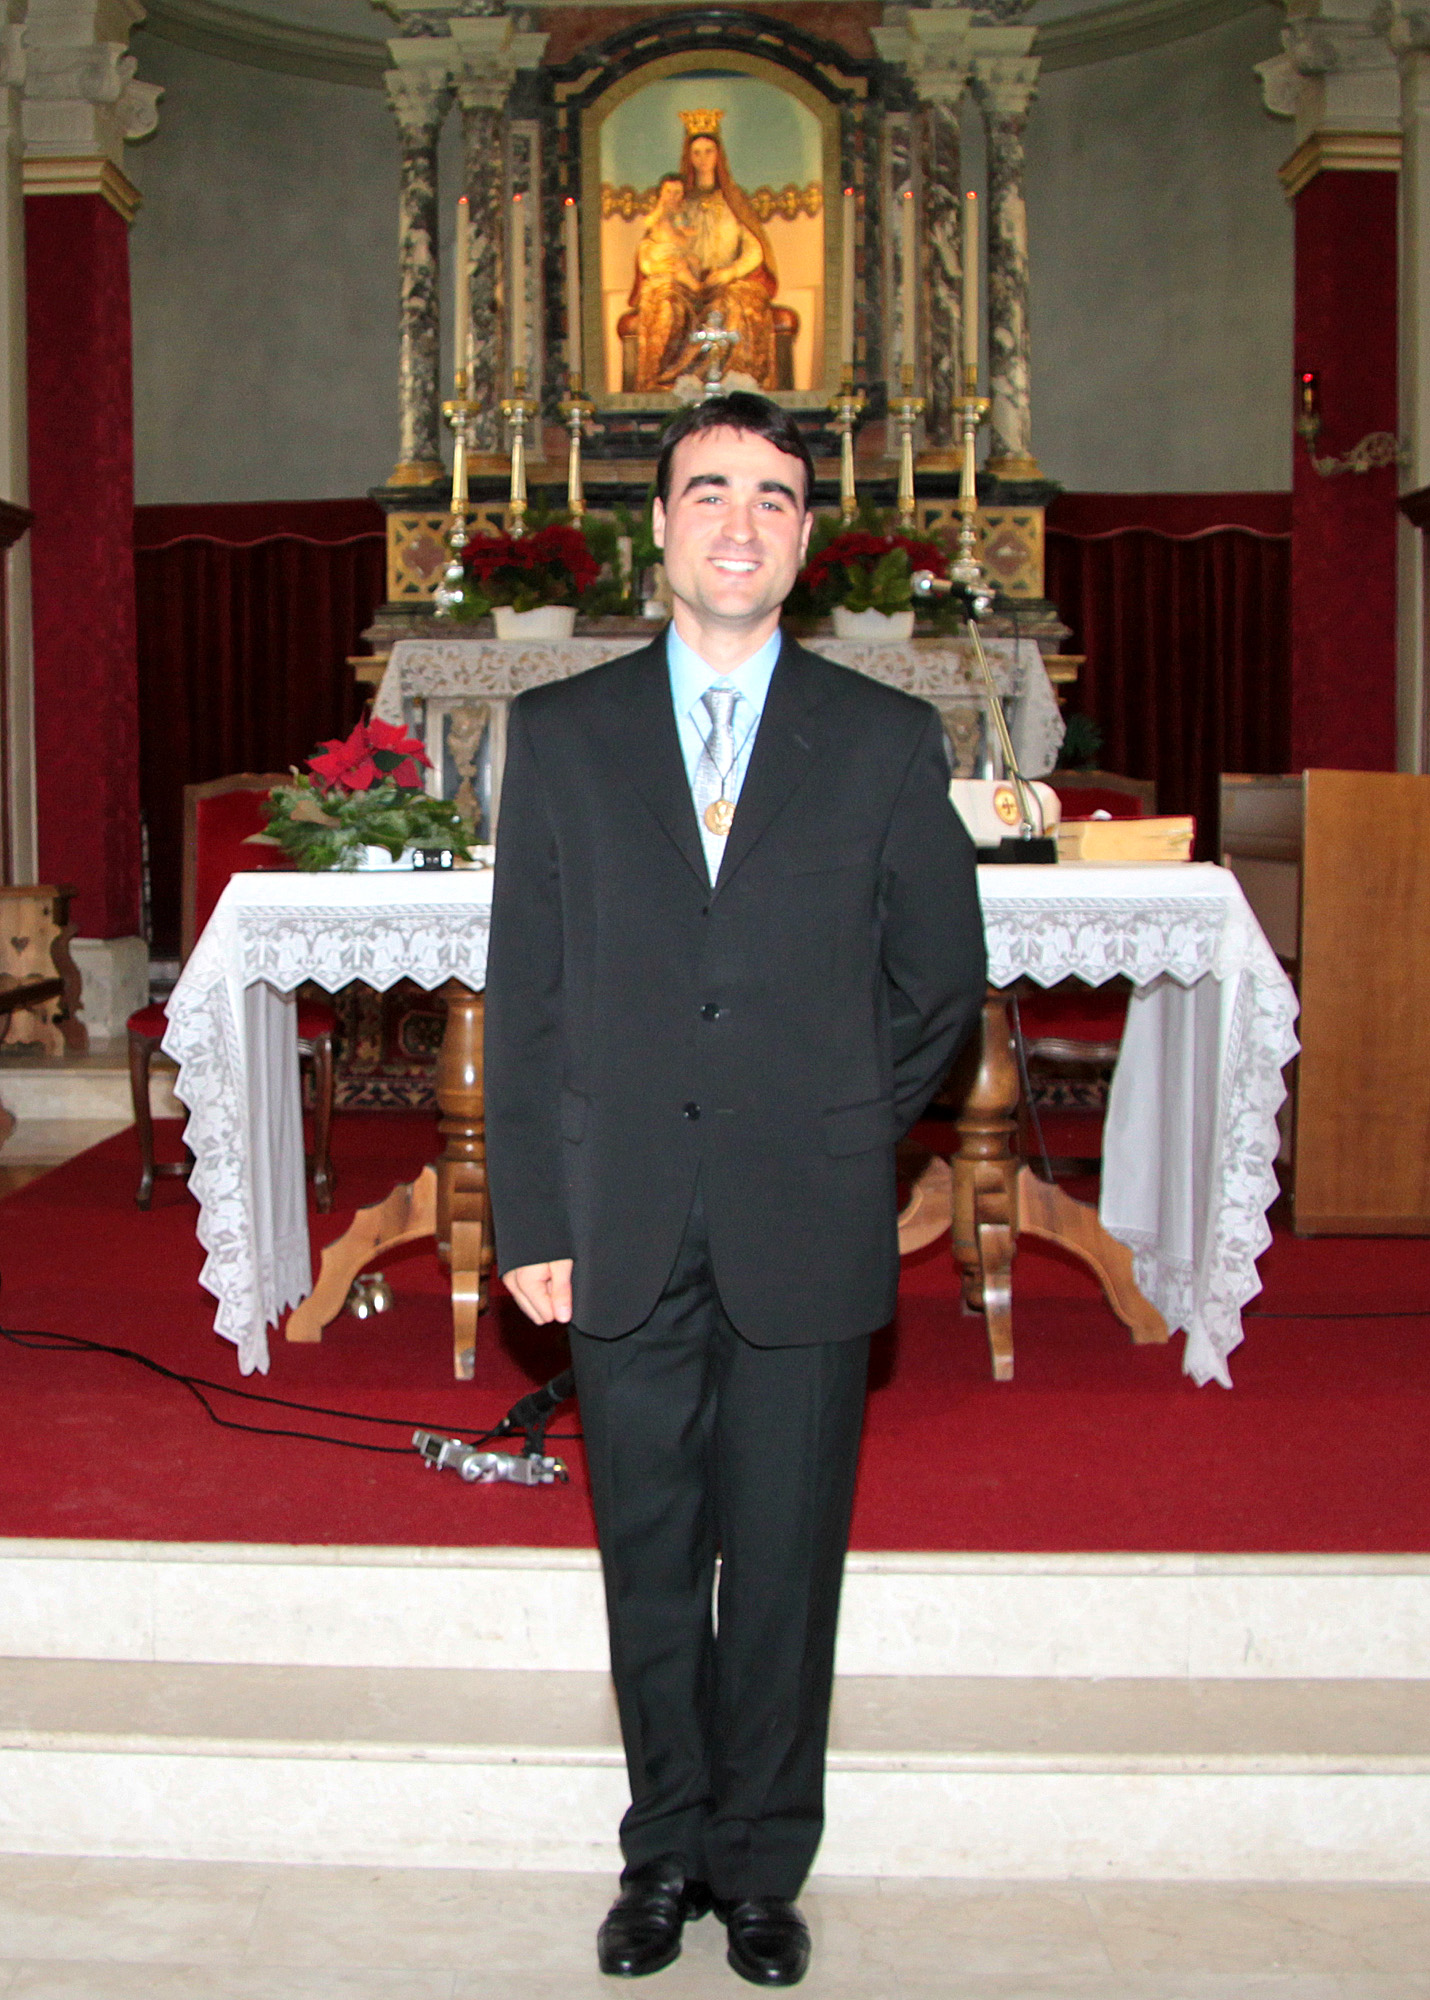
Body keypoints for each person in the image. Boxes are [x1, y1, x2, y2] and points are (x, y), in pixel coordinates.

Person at [484, 392, 985, 1987]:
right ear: (657, 524)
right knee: (646, 1557)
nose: (738, 523)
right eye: (709, 491)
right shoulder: (562, 734)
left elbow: (939, 982)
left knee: (780, 1561)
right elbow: (526, 994)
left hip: (803, 1212)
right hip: (616, 1212)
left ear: (807, 536)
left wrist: (840, 1123)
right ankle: (662, 1853)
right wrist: (530, 1217)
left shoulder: (882, 738)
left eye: (772, 497)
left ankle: (761, 1865)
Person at [627, 119, 779, 391]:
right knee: (664, 301)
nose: (703, 159)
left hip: (725, 280)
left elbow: (754, 248)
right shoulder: (679, 202)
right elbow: (654, 242)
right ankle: (666, 385)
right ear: (689, 157)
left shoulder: (733, 201)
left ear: (719, 155)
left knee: (736, 302)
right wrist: (667, 268)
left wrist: (730, 272)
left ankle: (735, 387)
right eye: (696, 152)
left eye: (709, 151)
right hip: (686, 280)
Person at [632, 175, 703, 391]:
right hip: (662, 277)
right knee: (667, 306)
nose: (673, 196)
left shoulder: (680, 217)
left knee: (688, 286)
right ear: (661, 194)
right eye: (668, 192)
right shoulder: (657, 220)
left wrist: (688, 258)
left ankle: (679, 372)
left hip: (680, 269)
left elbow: (689, 239)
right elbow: (648, 264)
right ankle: (658, 373)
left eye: (678, 192)